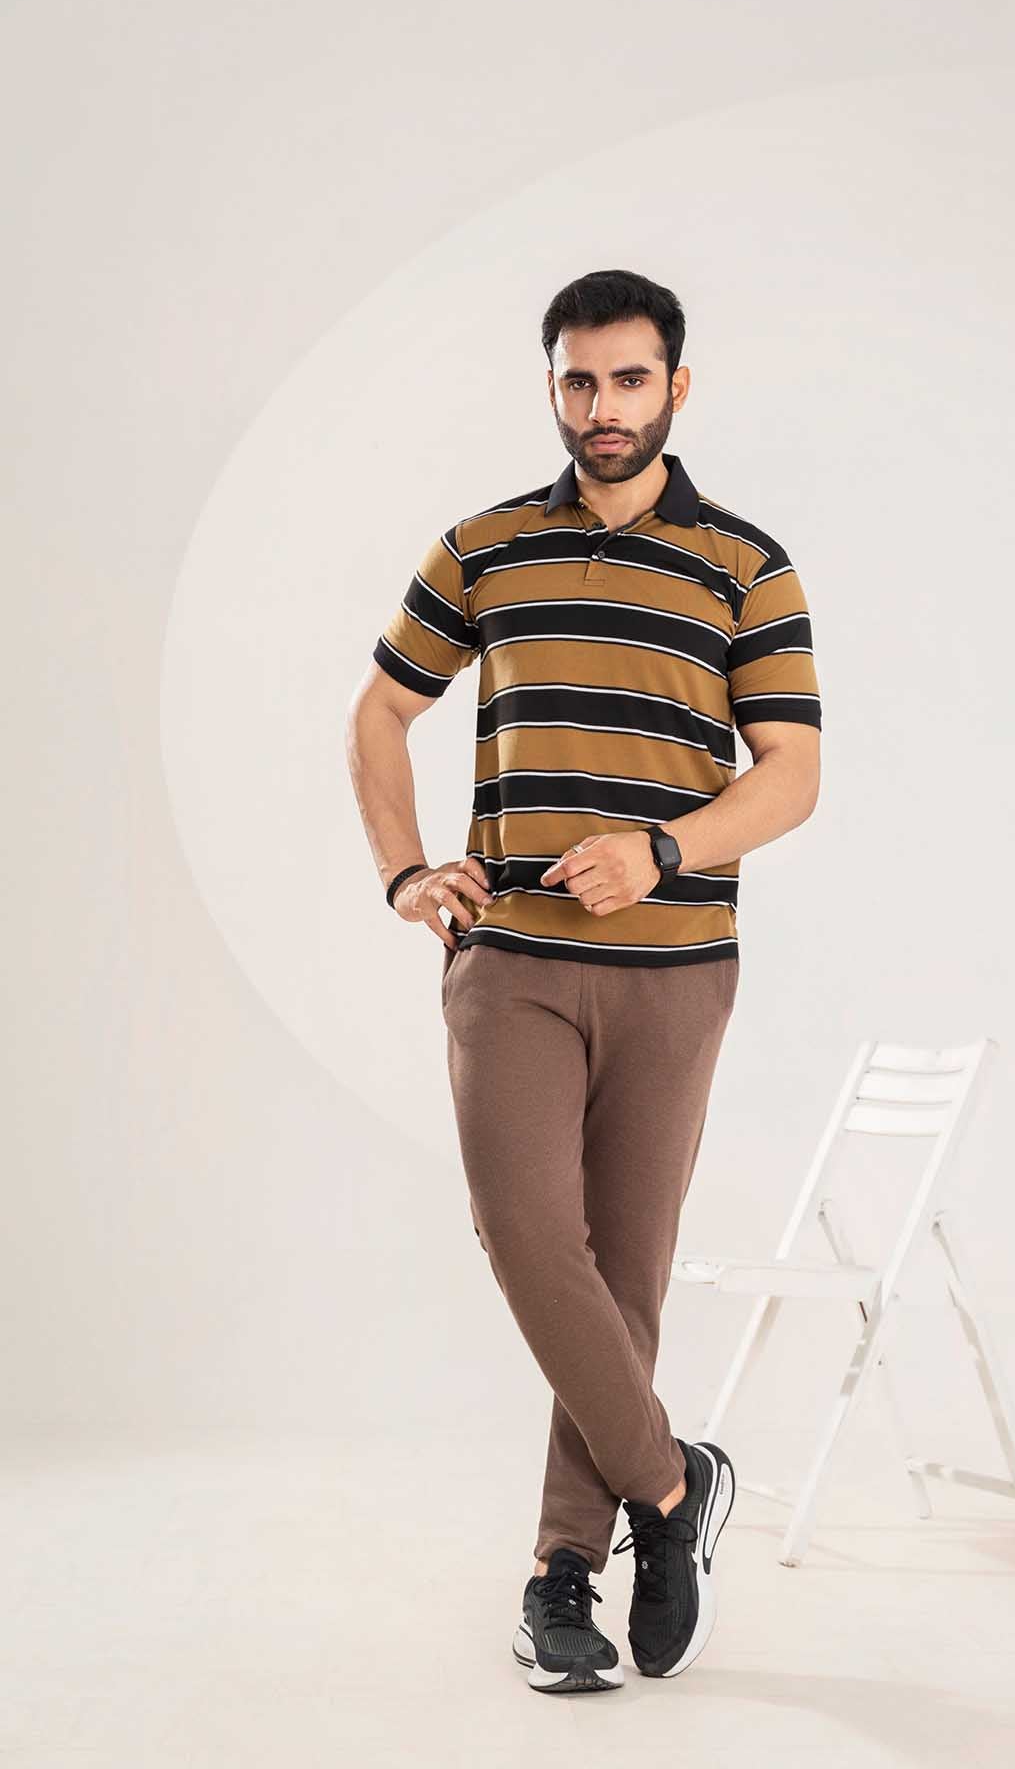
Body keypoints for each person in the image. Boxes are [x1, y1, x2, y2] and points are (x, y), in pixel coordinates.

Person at [346, 268, 821, 1694]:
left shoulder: (748, 566)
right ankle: (673, 1487)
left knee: (626, 1275)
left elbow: (792, 775)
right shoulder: (483, 548)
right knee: (525, 1237)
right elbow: (383, 708)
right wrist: (405, 870)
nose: (602, 406)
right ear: (552, 385)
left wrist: (664, 848)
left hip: (676, 973)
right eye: (578, 380)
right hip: (513, 966)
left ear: (677, 385)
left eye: (627, 379)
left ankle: (563, 1573)